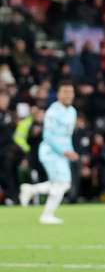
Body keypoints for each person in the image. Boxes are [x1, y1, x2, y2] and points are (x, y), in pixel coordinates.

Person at [20, 81, 79, 224]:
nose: (68, 95)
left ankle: (32, 192)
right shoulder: (52, 111)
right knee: (63, 184)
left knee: (60, 184)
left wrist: (70, 151)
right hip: (50, 152)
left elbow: (67, 135)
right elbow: (48, 136)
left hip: (63, 153)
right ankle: (44, 211)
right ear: (58, 94)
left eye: (70, 92)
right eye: (65, 92)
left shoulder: (72, 111)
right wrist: (64, 152)